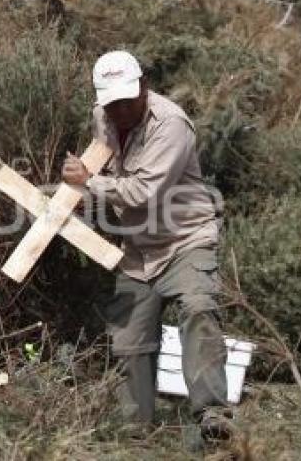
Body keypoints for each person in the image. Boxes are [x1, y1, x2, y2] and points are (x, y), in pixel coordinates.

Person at [61, 50, 232, 440]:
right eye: (111, 102)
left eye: (126, 99)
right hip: (138, 249)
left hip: (184, 240)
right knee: (129, 340)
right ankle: (136, 432)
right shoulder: (101, 116)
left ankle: (212, 417)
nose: (119, 110)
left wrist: (87, 181)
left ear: (144, 86)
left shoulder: (171, 124)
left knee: (198, 306)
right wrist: (82, 184)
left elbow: (142, 191)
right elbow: (104, 166)